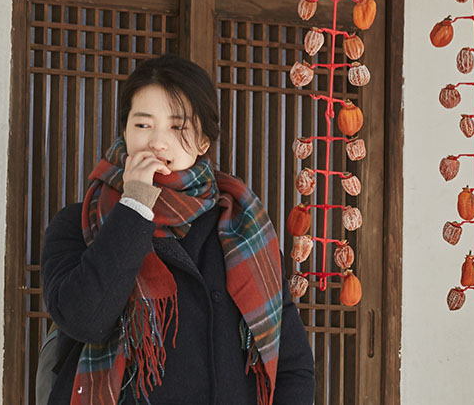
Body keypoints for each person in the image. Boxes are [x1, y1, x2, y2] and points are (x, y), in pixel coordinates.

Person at [40, 54, 315, 405]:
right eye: (143, 125)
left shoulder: (243, 230)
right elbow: (85, 320)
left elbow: (292, 365)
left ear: (203, 141)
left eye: (177, 126)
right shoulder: (79, 223)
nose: (158, 141)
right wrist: (136, 203)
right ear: (124, 131)